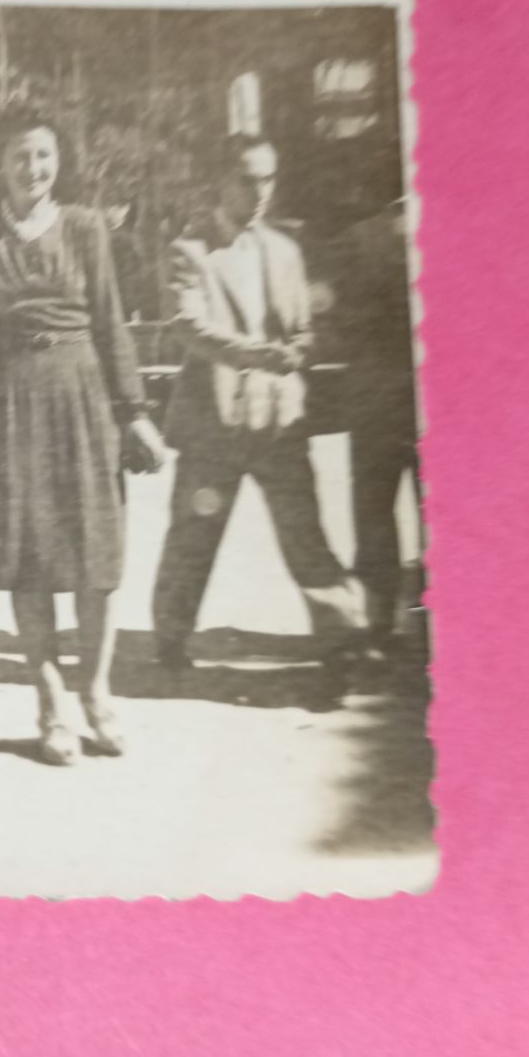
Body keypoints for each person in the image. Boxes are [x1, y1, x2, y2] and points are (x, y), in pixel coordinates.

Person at [0, 105, 166, 767]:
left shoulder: (84, 227)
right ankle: (49, 700)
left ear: (58, 161)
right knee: (29, 555)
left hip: (82, 399)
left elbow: (110, 322)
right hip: (9, 405)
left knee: (93, 557)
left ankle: (96, 693)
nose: (32, 168)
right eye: (18, 155)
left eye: (42, 154)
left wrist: (132, 410)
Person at [151, 133, 369, 671]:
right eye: (247, 179)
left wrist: (300, 348)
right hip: (212, 424)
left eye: (268, 178)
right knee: (193, 538)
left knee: (305, 533)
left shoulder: (285, 251)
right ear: (220, 183)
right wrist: (258, 354)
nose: (260, 190)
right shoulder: (189, 251)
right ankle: (171, 642)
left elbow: (305, 329)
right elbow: (187, 326)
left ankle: (344, 640)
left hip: (279, 422)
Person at [338, 198, 421, 651]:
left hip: (376, 397)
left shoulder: (362, 237)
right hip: (427, 393)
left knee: (373, 509)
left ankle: (379, 624)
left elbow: (344, 323)